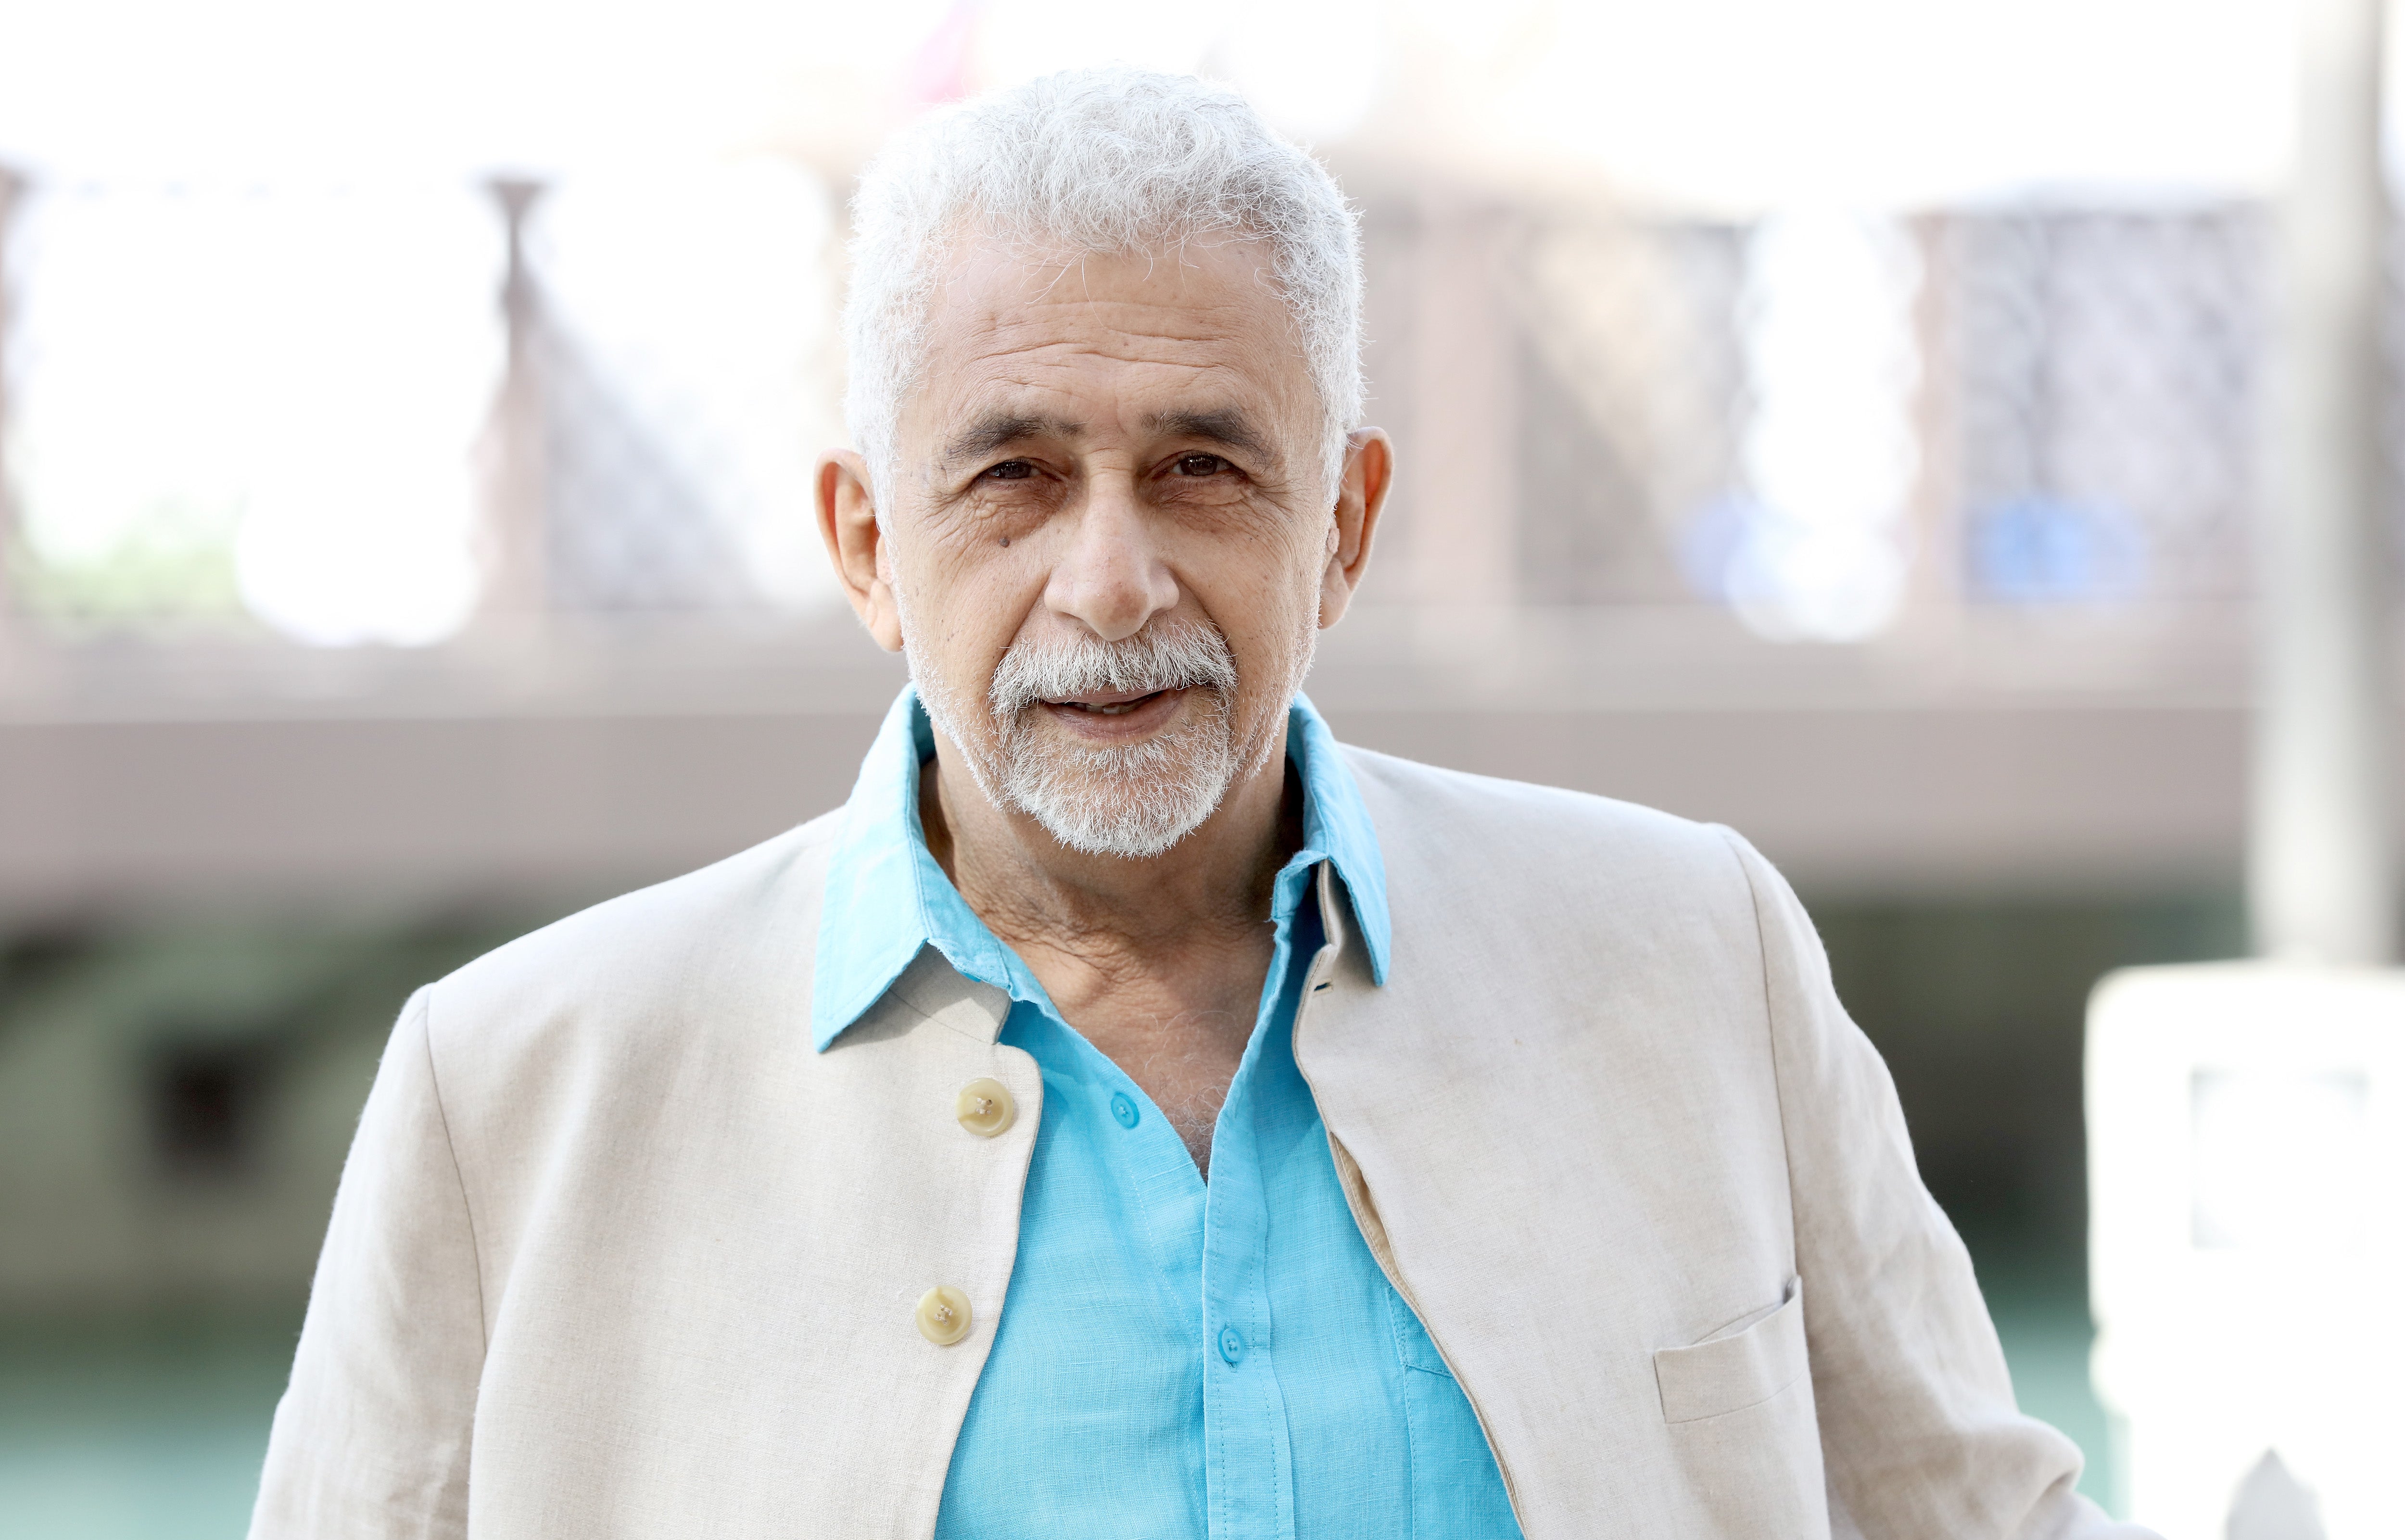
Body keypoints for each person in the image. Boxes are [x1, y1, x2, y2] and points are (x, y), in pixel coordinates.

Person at [250, 68, 2149, 1540]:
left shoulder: (1694, 959)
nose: (1109, 581)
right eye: (1010, 474)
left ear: (1340, 527)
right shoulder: (508, 1090)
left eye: (1202, 469)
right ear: (863, 542)